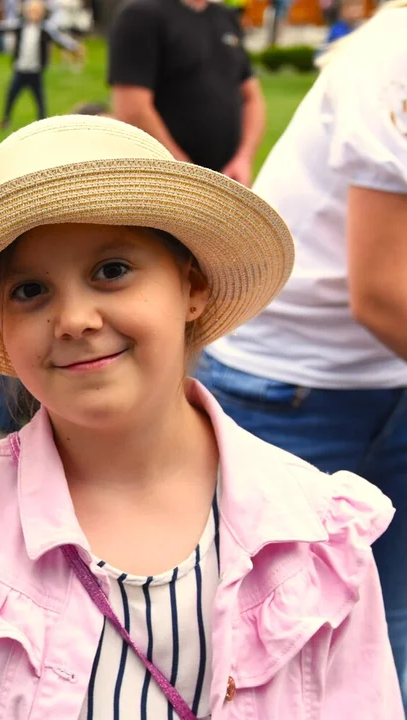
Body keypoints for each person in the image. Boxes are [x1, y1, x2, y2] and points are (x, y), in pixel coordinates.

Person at [0, 115, 404, 718]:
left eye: (111, 271)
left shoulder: (315, 535)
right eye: (29, 291)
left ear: (191, 288)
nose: (75, 319)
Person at [197, 0, 407, 707]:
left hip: (389, 372)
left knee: (390, 627)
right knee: (249, 654)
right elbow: (382, 293)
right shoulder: (397, 57)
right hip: (287, 389)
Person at [108, 0, 265, 186]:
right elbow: (132, 109)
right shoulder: (140, 15)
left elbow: (252, 98)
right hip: (165, 182)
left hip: (226, 179)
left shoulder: (225, 17)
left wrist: (243, 158)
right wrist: (182, 170)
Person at [0, 0, 83, 129]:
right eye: (31, 12)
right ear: (26, 13)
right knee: (11, 96)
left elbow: (60, 40)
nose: (34, 15)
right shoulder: (20, 26)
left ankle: (42, 124)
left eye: (37, 12)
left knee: (40, 100)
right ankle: (5, 119)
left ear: (41, 14)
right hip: (20, 69)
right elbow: (2, 27)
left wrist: (74, 47)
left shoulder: (45, 29)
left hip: (35, 72)